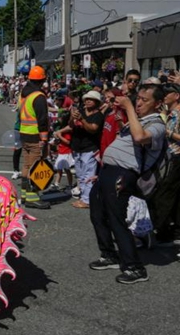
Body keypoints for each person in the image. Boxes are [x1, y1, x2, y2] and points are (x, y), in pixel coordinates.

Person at [89, 84, 166, 284]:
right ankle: (108, 254)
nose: (139, 102)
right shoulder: (137, 120)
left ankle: (135, 267)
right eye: (138, 98)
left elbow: (140, 138)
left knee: (116, 218)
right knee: (98, 213)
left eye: (144, 100)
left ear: (157, 104)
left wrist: (129, 108)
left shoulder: (157, 125)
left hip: (123, 173)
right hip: (108, 171)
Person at [17, 66, 51, 210]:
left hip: (24, 133)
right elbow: (42, 120)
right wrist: (44, 139)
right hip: (35, 135)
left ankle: (24, 195)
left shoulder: (24, 94)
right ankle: (33, 197)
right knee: (35, 167)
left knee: (26, 164)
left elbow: (20, 114)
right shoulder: (39, 96)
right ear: (42, 79)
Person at [152, 83, 180, 247]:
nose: (164, 96)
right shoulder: (169, 113)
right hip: (169, 157)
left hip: (176, 157)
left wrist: (167, 132)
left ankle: (163, 230)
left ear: (176, 96)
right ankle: (173, 231)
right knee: (173, 196)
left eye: (167, 93)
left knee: (165, 194)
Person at [69, 90, 104, 209]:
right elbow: (71, 125)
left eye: (91, 99)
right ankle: (83, 197)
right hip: (77, 147)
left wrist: (82, 120)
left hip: (90, 148)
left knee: (88, 175)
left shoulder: (98, 115)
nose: (88, 101)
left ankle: (87, 200)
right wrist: (72, 117)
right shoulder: (81, 111)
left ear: (97, 102)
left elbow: (93, 129)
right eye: (86, 99)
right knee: (80, 175)